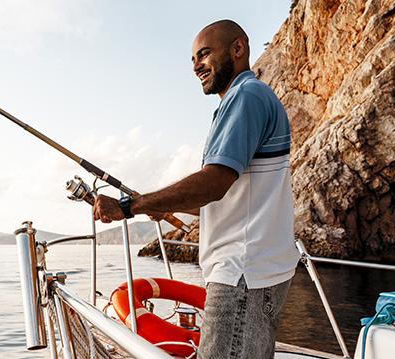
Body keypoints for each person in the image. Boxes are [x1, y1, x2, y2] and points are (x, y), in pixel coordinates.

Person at [93, 20, 300, 359]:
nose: (196, 66)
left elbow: (215, 182)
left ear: (238, 49)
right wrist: (155, 206)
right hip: (256, 270)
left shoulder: (245, 96)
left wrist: (130, 206)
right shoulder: (250, 97)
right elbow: (234, 196)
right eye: (192, 60)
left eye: (204, 55)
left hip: (242, 273)